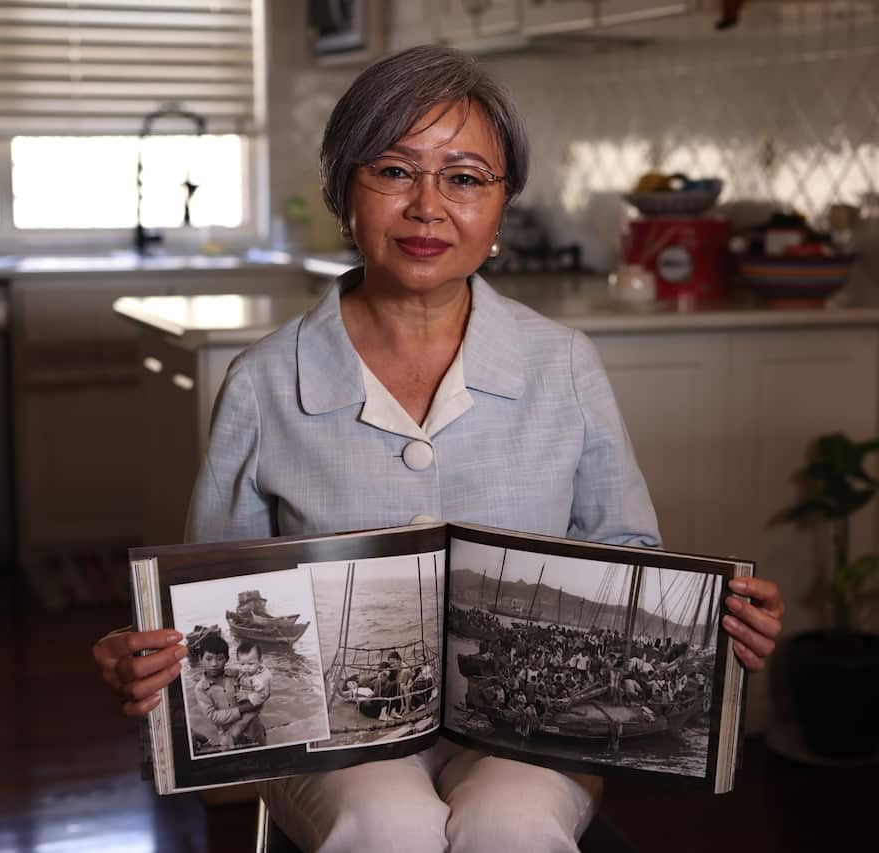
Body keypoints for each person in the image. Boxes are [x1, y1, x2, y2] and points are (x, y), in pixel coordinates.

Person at [92, 44, 784, 853]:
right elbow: (208, 594)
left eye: (463, 177)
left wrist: (725, 622)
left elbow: (625, 551)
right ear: (343, 190)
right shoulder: (263, 381)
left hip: (520, 731)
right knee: (389, 826)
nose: (428, 206)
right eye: (394, 171)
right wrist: (146, 651)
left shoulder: (562, 363)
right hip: (332, 734)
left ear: (500, 205)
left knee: (514, 822)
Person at [189, 635, 241, 753]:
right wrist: (241, 710)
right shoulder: (201, 689)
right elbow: (213, 716)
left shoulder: (237, 675)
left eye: (219, 658)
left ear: (227, 659)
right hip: (227, 735)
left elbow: (256, 694)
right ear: (200, 658)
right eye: (208, 659)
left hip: (251, 726)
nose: (214, 664)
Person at [223, 640, 270, 747]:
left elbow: (263, 696)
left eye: (250, 664)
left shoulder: (262, 678)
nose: (246, 667)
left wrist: (248, 696)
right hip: (245, 704)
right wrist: (226, 670)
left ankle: (260, 744)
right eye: (242, 663)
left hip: (254, 706)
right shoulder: (248, 669)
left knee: (240, 726)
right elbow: (240, 670)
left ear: (260, 661)